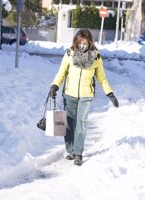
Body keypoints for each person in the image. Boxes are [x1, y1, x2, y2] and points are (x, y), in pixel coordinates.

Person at [49, 29, 119, 166]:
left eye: (85, 43)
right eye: (80, 42)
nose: (82, 45)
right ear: (76, 41)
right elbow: (61, 73)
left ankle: (78, 153)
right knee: (69, 123)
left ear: (90, 43)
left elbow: (102, 78)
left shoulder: (96, 57)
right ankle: (71, 150)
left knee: (81, 123)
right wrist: (54, 86)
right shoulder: (69, 54)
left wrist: (110, 93)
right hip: (69, 94)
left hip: (86, 95)